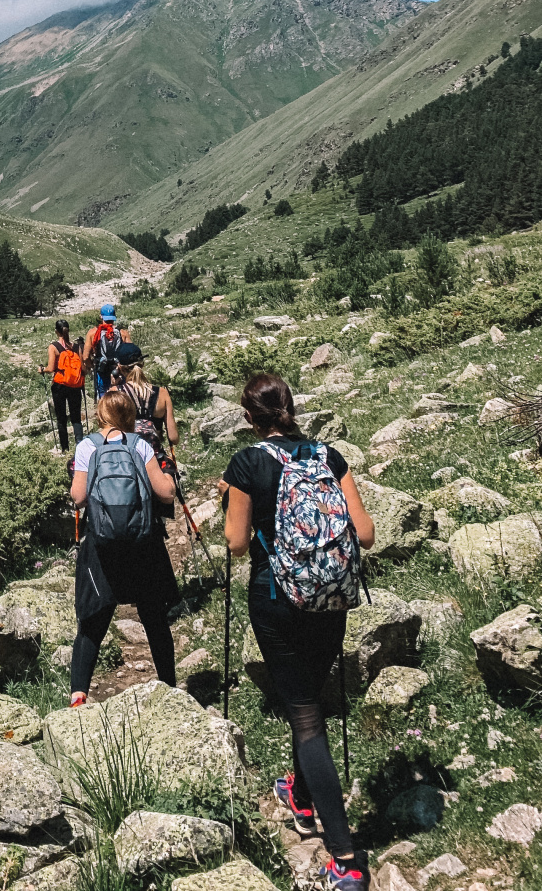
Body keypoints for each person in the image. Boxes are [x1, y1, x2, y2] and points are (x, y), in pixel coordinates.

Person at [220, 373, 376, 891]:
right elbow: (368, 533)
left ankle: (346, 859)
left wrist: (233, 501)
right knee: (309, 699)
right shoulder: (328, 456)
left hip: (276, 600)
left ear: (248, 416)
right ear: (291, 406)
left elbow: (237, 543)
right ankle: (302, 797)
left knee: (307, 719)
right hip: (331, 599)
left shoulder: (247, 463)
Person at [68, 387, 179, 706]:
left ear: (101, 414)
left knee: (91, 622)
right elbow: (165, 493)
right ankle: (169, 689)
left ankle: (79, 696)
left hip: (101, 546)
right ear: (130, 416)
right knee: (154, 618)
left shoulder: (87, 446)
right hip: (143, 542)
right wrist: (169, 475)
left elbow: (78, 497)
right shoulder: (140, 444)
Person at [113, 344, 179, 449]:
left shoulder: (115, 393)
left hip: (128, 458)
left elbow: (109, 432)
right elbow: (173, 438)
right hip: (155, 456)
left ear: (119, 368)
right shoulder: (162, 393)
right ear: (142, 364)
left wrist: (114, 386)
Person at [39, 319, 85, 454]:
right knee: (76, 417)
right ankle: (80, 446)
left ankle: (65, 448)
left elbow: (51, 368)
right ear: (68, 330)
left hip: (60, 386)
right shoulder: (77, 347)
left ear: (56, 331)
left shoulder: (54, 347)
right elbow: (83, 368)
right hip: (75, 386)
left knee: (61, 418)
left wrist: (42, 370)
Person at [83, 304, 122, 398]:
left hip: (101, 371)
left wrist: (91, 366)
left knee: (103, 399)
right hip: (118, 370)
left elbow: (85, 357)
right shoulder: (121, 332)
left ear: (101, 316)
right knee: (119, 396)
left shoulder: (93, 333)